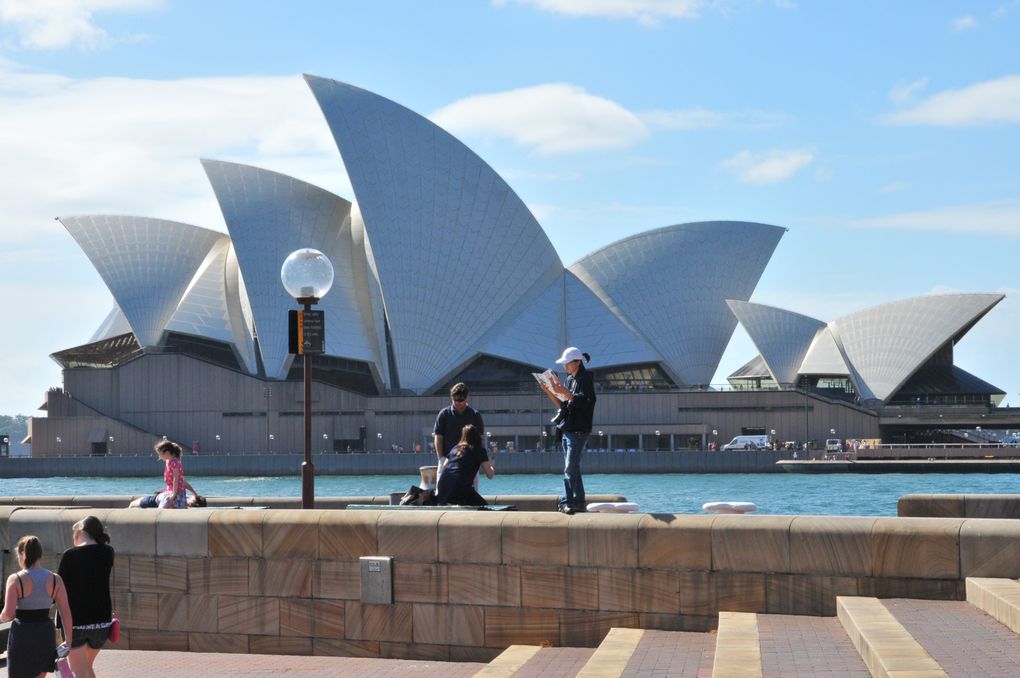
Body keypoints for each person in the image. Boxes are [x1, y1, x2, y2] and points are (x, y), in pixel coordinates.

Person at [1, 535, 74, 678]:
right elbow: (65, 611)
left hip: (22, 634)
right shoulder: (55, 579)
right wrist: (69, 641)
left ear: (22, 554)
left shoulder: (15, 579)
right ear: (39, 554)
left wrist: (0, 617)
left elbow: (8, 614)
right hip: (44, 634)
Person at [539, 347, 596, 514]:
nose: (565, 367)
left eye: (567, 363)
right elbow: (563, 405)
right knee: (573, 467)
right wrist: (549, 391)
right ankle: (579, 500)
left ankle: (566, 501)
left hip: (578, 430)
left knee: (570, 467)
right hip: (568, 429)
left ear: (577, 362)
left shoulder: (585, 378)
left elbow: (587, 401)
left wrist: (565, 392)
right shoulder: (571, 379)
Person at [57, 516, 114, 678]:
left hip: (76, 623)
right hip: (102, 622)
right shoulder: (108, 552)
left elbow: (60, 588)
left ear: (82, 531)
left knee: (78, 671)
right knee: (87, 667)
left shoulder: (70, 555)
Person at [435, 424, 495, 506]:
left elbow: (444, 468)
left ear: (463, 436)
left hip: (443, 490)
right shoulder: (479, 450)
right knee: (484, 507)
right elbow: (490, 475)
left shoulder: (455, 449)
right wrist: (491, 465)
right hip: (461, 490)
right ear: (477, 436)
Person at [433, 383, 485, 477]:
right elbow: (438, 438)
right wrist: (441, 459)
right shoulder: (444, 414)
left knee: (471, 491)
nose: (458, 403)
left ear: (467, 397)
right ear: (451, 398)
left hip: (469, 462)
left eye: (461, 400)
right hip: (447, 461)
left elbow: (479, 440)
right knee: (442, 490)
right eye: (455, 400)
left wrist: (478, 459)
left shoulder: (475, 415)